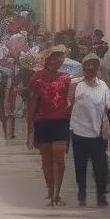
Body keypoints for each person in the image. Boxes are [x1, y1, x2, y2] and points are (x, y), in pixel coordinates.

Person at [27, 46, 72, 207]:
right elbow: (32, 102)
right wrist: (29, 127)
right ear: (48, 59)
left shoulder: (66, 78)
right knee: (47, 159)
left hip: (61, 121)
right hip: (42, 121)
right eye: (55, 57)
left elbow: (69, 99)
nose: (58, 60)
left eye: (60, 57)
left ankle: (57, 194)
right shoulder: (37, 78)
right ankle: (50, 190)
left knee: (59, 157)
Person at [69, 54, 110, 207]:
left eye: (94, 65)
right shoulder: (76, 85)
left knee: (100, 167)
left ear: (98, 68)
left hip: (98, 134)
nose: (90, 68)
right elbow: (68, 104)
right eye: (87, 65)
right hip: (79, 132)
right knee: (80, 166)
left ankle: (101, 196)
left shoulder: (103, 86)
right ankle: (81, 193)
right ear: (83, 68)